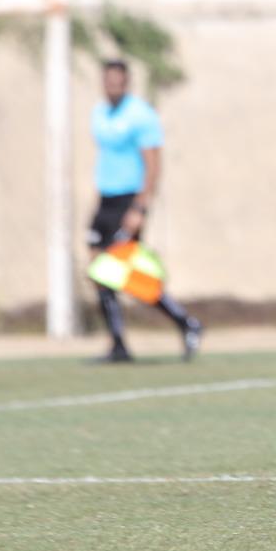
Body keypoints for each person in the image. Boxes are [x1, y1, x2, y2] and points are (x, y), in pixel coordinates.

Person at [87, 59, 201, 363]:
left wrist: (140, 206)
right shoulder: (99, 114)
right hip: (106, 201)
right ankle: (118, 344)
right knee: (99, 271)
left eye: (118, 81)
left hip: (129, 201)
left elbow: (153, 164)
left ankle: (186, 323)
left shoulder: (140, 116)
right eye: (107, 80)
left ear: (126, 83)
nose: (112, 86)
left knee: (131, 275)